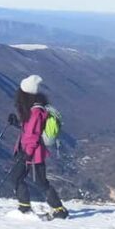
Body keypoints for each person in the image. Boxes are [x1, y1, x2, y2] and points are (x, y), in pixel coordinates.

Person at [6, 74, 69, 219]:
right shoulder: (35, 109)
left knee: (19, 178)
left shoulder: (35, 111)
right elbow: (30, 130)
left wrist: (27, 153)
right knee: (37, 181)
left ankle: (26, 208)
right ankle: (57, 209)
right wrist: (17, 123)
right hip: (32, 152)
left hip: (31, 153)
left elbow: (32, 135)